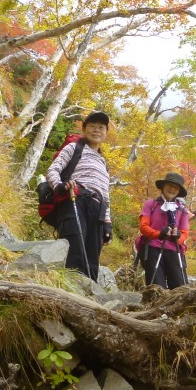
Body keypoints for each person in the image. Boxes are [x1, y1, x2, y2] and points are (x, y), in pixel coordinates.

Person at [46, 111, 112, 281]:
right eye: (92, 126)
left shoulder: (103, 162)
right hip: (75, 199)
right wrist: (60, 186)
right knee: (75, 245)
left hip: (98, 207)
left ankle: (89, 292)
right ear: (84, 129)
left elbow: (105, 195)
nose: (96, 130)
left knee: (92, 254)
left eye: (101, 127)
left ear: (106, 133)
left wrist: (107, 224)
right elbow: (53, 170)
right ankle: (72, 287)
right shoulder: (74, 148)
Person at [139, 172, 190, 289]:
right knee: (156, 288)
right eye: (170, 185)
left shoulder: (183, 211)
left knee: (180, 289)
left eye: (176, 188)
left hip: (175, 251)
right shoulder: (150, 204)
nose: (172, 189)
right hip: (153, 250)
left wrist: (178, 237)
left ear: (178, 191)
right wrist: (159, 234)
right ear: (163, 186)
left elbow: (184, 233)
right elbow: (143, 226)